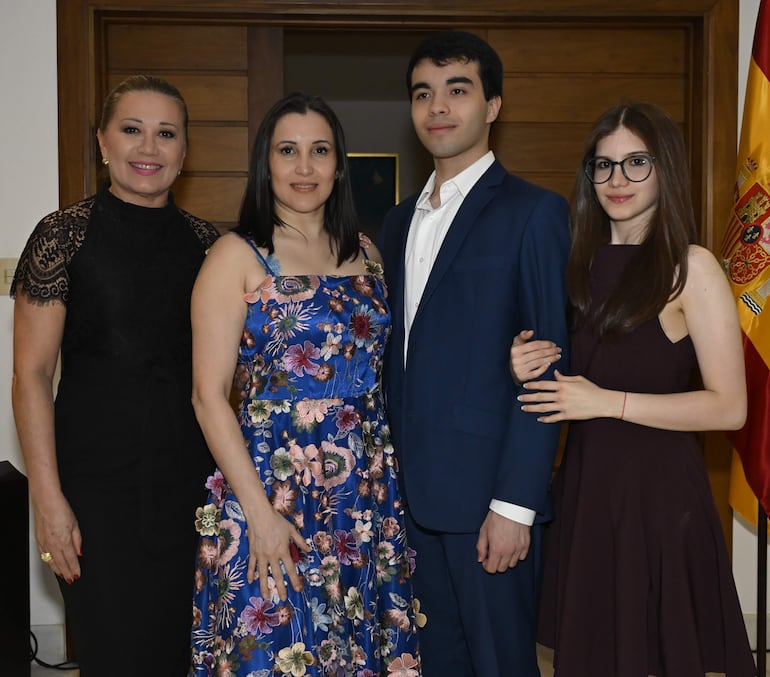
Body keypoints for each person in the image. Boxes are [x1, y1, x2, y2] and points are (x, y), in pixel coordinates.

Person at [510, 101, 756, 676]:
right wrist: (524, 361)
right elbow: (562, 374)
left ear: (664, 168)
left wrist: (608, 403)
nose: (617, 180)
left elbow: (731, 407)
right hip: (588, 492)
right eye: (604, 166)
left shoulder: (690, 268)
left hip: (661, 499)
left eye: (636, 163)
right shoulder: (575, 263)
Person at [188, 92, 421, 676]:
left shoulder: (367, 253)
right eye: (287, 151)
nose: (304, 167)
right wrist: (262, 515)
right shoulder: (235, 255)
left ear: (339, 163)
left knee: (353, 645)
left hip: (362, 495)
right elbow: (207, 396)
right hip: (273, 487)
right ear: (266, 163)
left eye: (320, 151)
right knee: (277, 648)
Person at [11, 75, 218, 675]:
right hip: (93, 489)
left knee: (183, 653)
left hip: (191, 488)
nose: (148, 148)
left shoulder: (211, 247)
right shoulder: (62, 236)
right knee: (113, 653)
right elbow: (30, 375)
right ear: (103, 142)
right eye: (131, 130)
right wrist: (46, 500)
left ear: (184, 150)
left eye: (165, 134)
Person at [379, 31, 571, 676]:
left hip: (489, 499)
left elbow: (551, 367)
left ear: (492, 106)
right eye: (423, 93)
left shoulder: (534, 213)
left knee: (502, 666)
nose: (438, 107)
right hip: (409, 498)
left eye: (457, 91)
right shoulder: (397, 222)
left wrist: (515, 503)